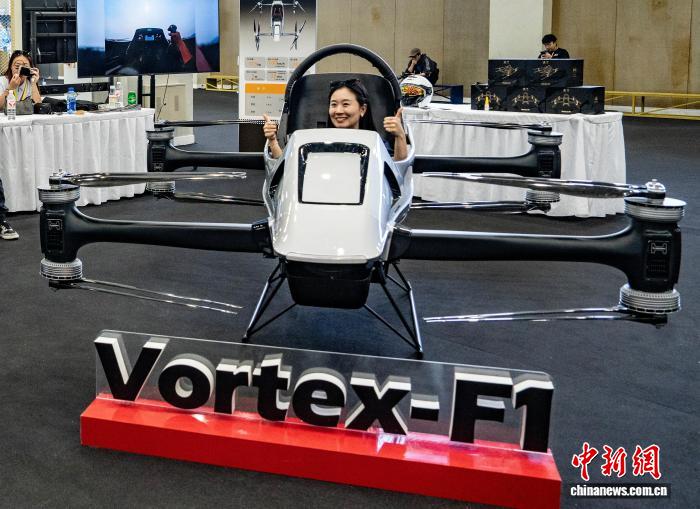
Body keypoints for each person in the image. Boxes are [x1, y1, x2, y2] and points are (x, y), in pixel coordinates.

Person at [263, 78, 408, 161]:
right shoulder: (315, 143)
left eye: (345, 104)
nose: (338, 111)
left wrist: (400, 136)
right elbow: (285, 169)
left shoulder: (375, 144)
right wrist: (273, 140)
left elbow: (396, 170)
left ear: (362, 109)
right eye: (333, 105)